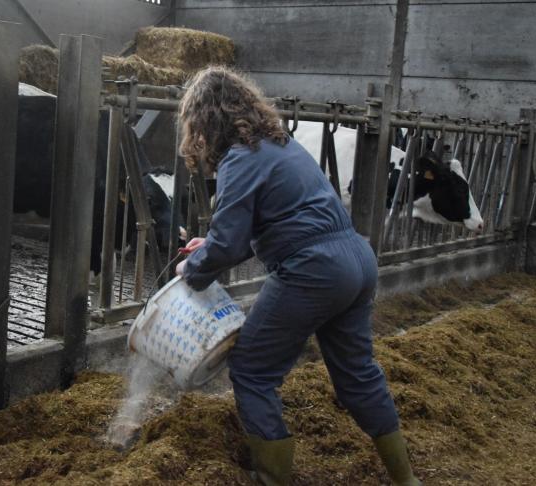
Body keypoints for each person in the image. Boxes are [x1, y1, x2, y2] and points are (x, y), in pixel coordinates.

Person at [174, 67, 421, 486]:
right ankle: (406, 479)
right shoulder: (280, 146)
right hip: (356, 260)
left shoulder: (239, 158)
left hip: (315, 270)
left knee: (251, 368)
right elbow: (281, 220)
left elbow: (231, 245)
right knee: (358, 374)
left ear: (207, 120)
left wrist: (191, 269)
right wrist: (211, 243)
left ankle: (272, 478)